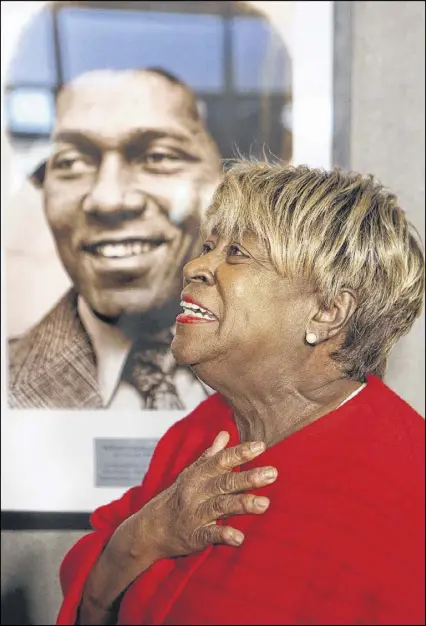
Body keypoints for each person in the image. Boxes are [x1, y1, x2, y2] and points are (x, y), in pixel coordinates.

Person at [57, 161, 425, 625]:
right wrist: (149, 531)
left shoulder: (406, 489)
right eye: (209, 246)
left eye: (237, 253)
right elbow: (91, 603)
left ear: (328, 311)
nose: (195, 265)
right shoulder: (202, 430)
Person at [7, 68, 222, 410]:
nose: (108, 199)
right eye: (72, 162)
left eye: (158, 157)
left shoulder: (293, 372)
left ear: (227, 182)